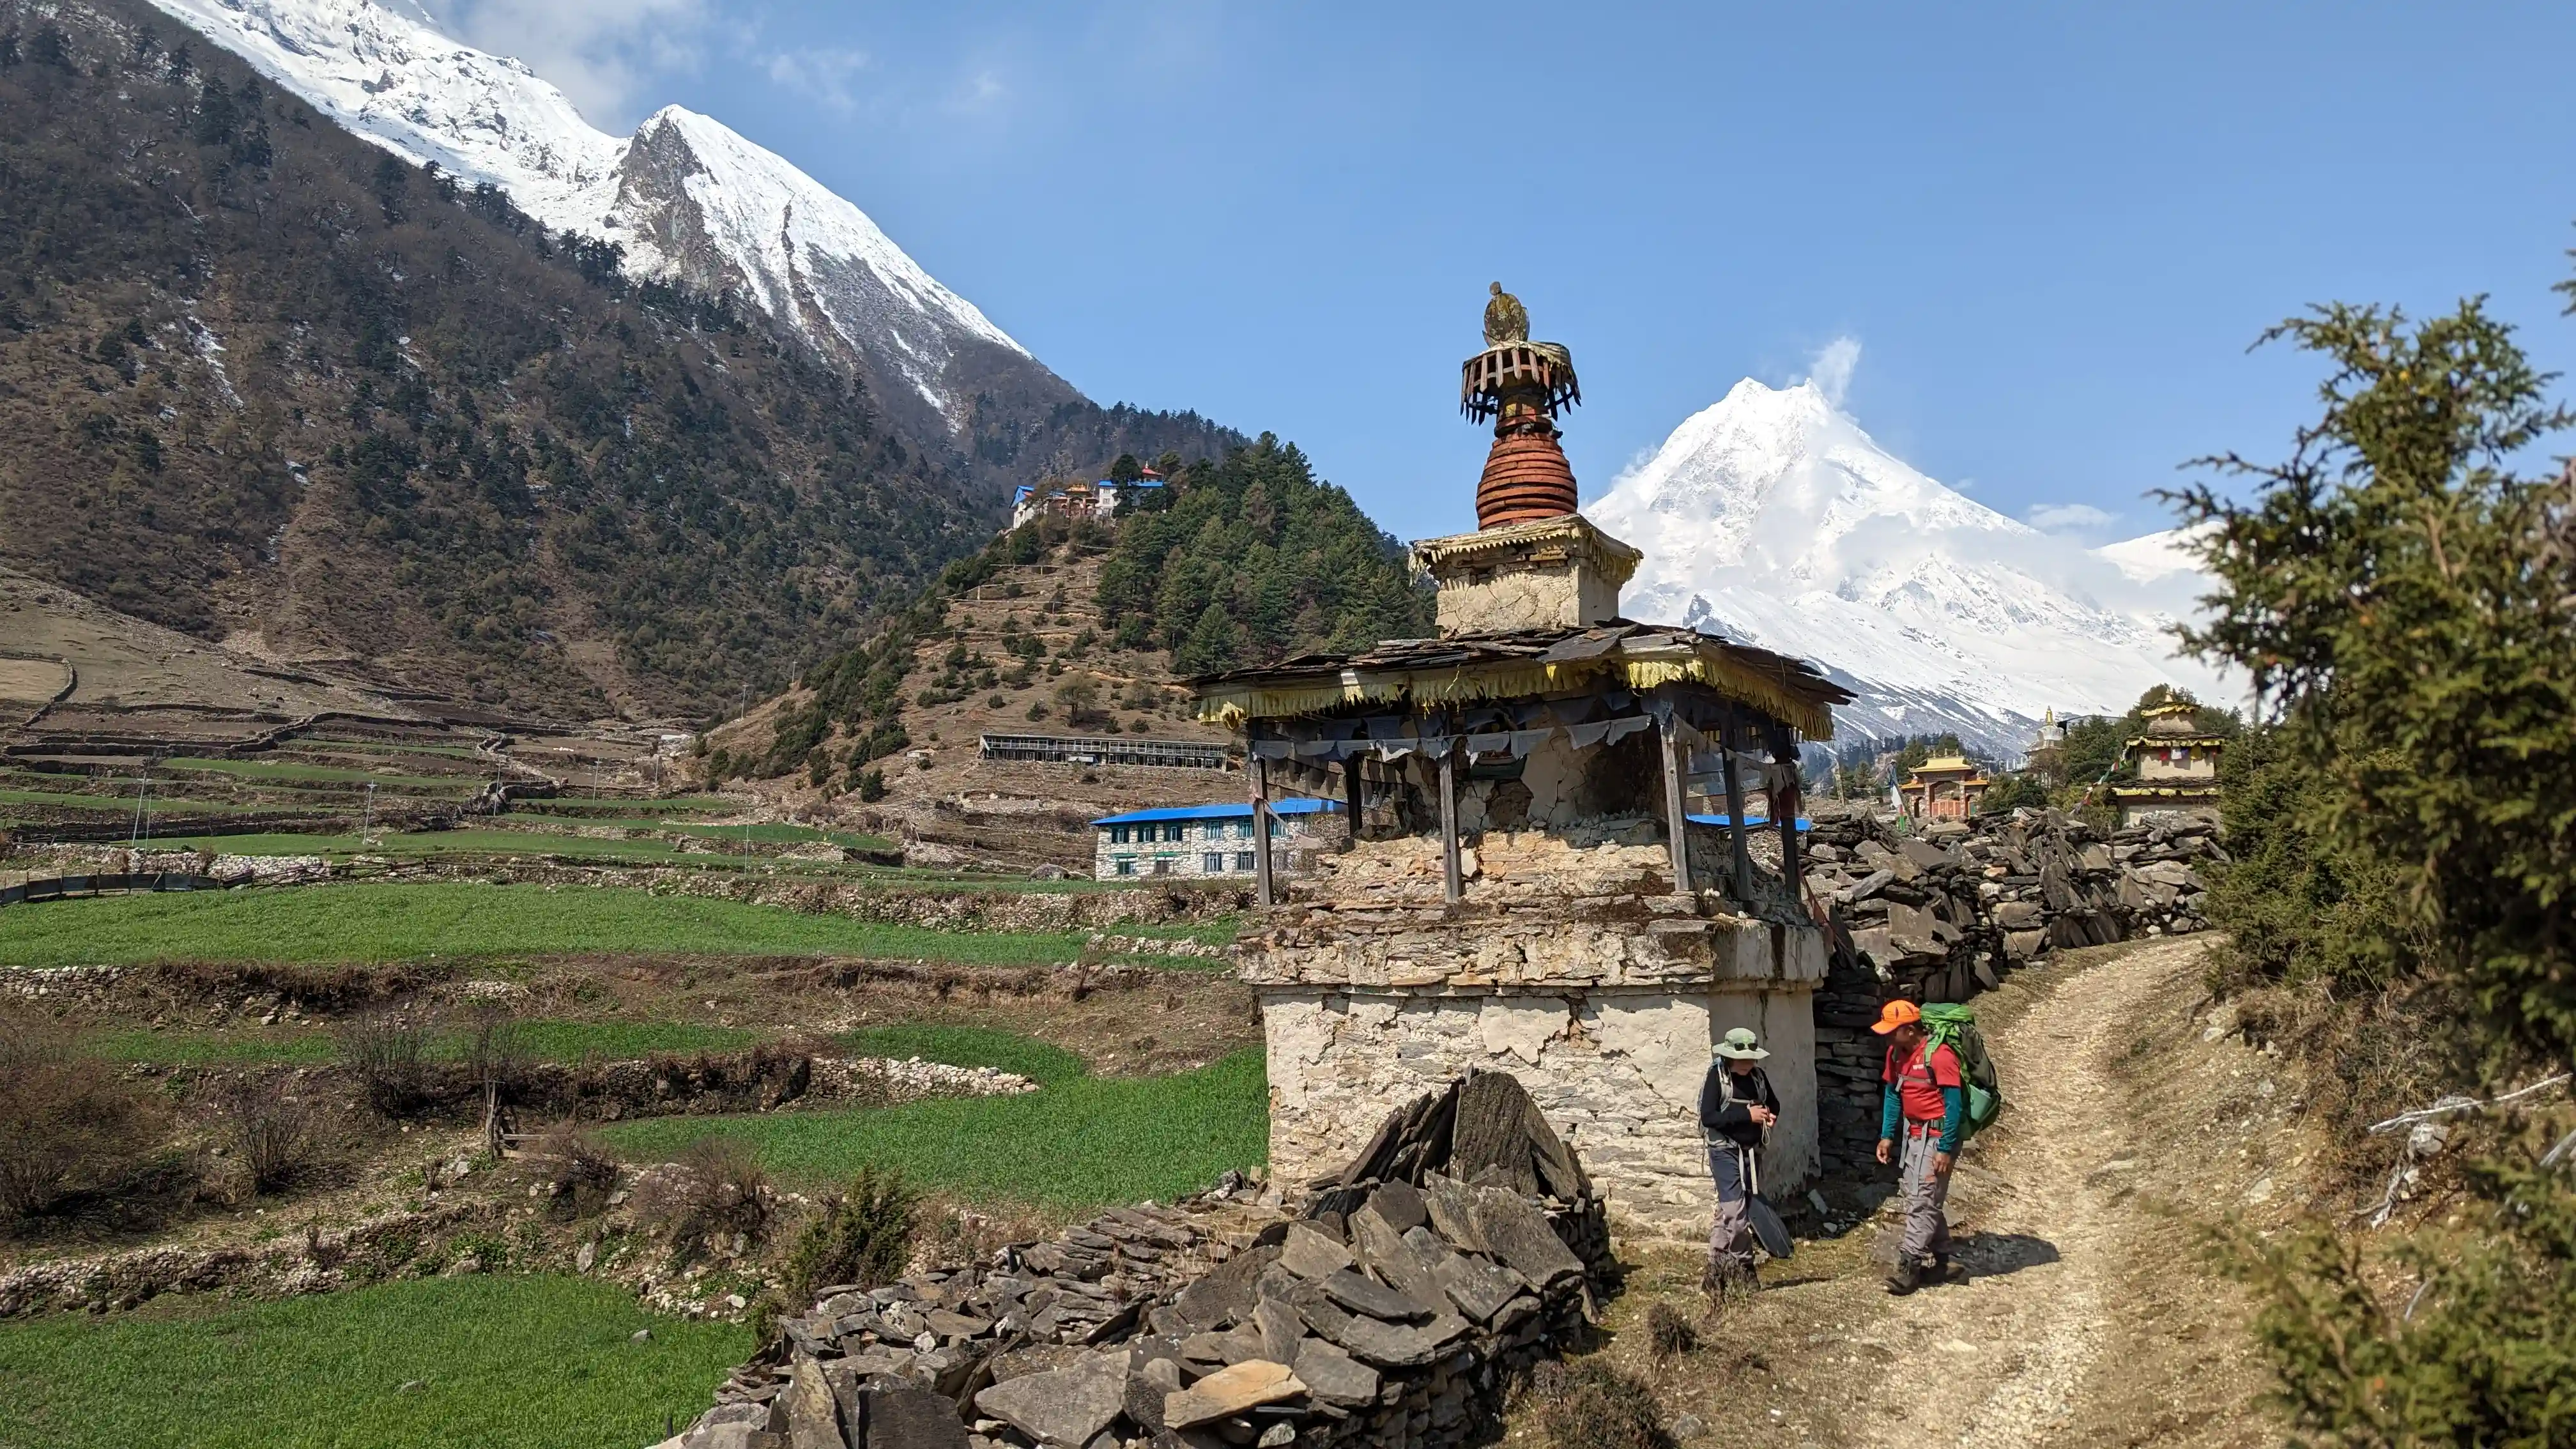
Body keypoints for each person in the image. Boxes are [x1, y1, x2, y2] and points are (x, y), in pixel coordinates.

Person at [1873, 999, 1961, 1294]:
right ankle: (1945, 1260)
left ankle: (1909, 1267)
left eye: (1892, 1031)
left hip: (1937, 1137)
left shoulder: (1940, 1056)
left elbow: (1954, 1105)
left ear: (1910, 1030)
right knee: (1919, 1197)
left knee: (1923, 1199)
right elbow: (1892, 1094)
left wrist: (1945, 1148)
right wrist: (1887, 1136)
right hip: (1913, 1136)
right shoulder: (1895, 1054)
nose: (1887, 1037)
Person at [1698, 1025, 1780, 1295]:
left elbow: (1774, 1104)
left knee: (1727, 1214)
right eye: (1742, 1059)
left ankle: (1714, 1273)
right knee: (1735, 1213)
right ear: (1729, 1056)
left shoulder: (1758, 1077)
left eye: (1751, 1058)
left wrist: (1769, 1115)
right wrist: (1748, 1116)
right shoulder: (1717, 1078)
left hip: (1751, 1153)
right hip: (1724, 1152)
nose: (1747, 1063)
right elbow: (1709, 1117)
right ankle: (1746, 1267)